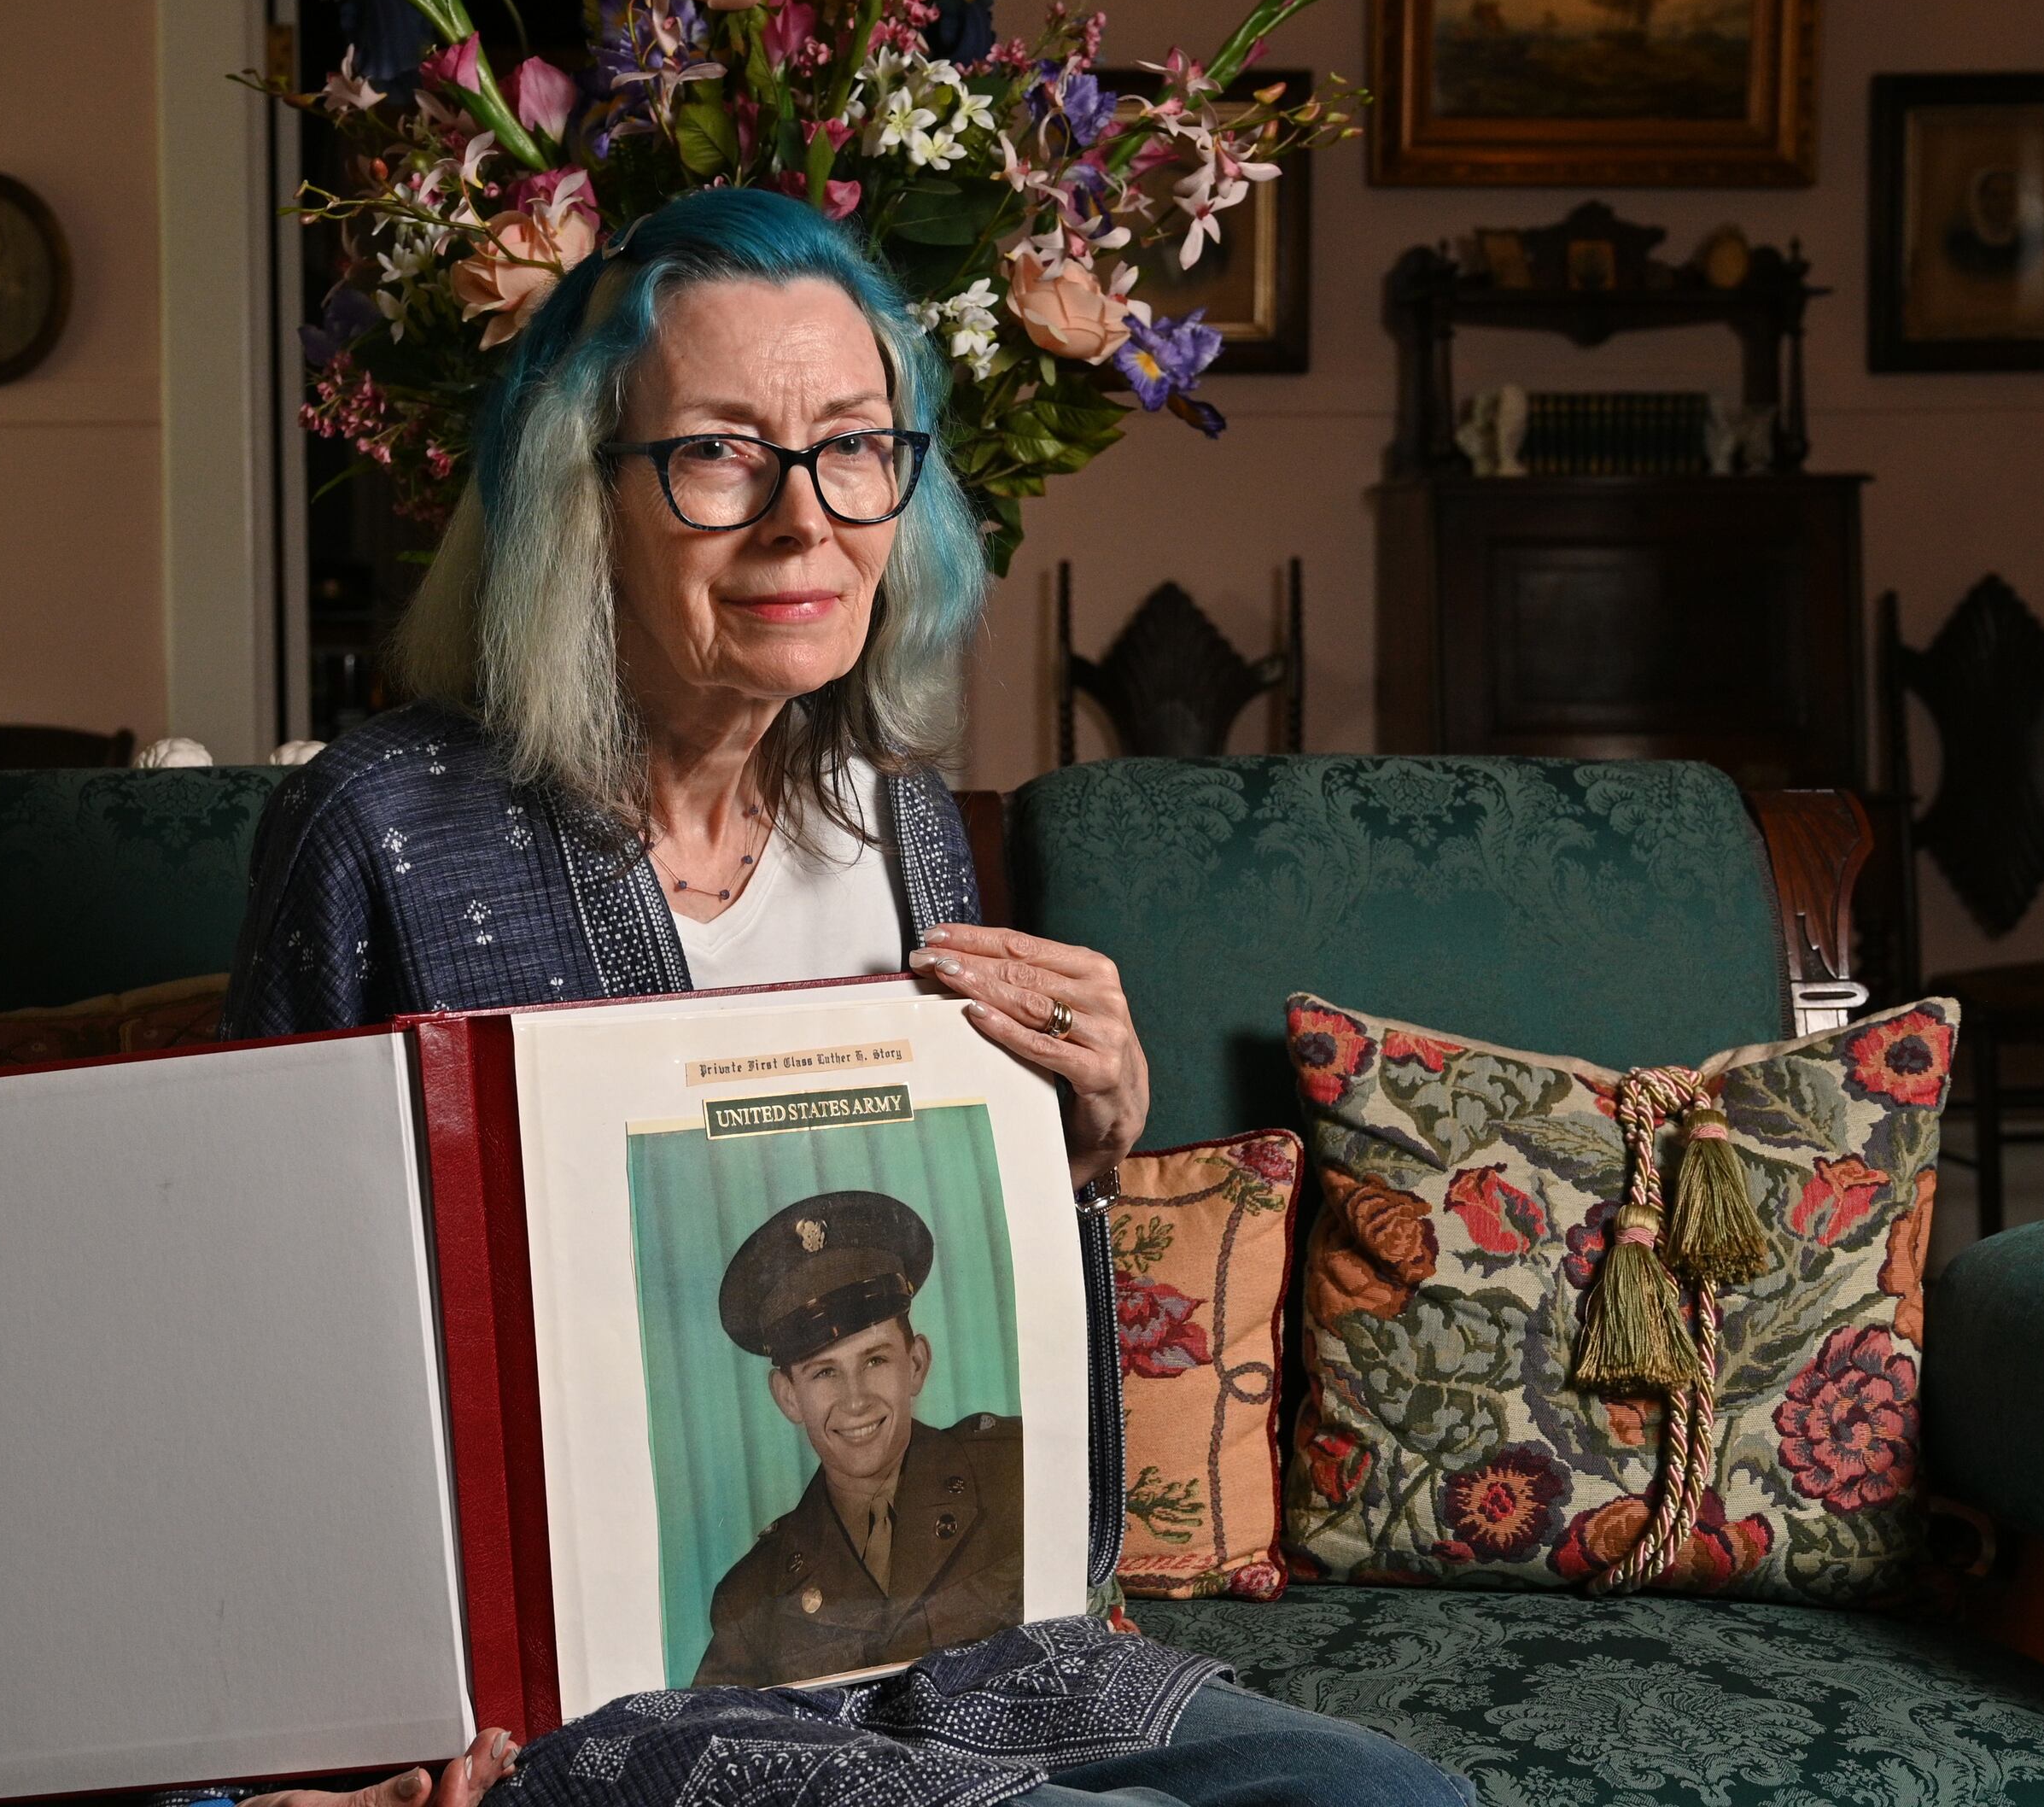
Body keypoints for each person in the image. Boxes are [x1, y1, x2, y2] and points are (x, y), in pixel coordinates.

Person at [223, 187, 1471, 1807]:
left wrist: (1077, 1168)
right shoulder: (383, 824)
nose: (803, 519)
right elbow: (257, 1341)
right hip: (600, 1700)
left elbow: (1027, 1419)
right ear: (576, 500)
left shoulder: (902, 818)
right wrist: (319, 1755)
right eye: (722, 450)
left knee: (1397, 1806)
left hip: (962, 1644)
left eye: (854, 447)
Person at [696, 1190, 1023, 1686]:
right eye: (824, 1373)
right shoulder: (751, 1597)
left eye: (875, 1360)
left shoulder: (1015, 1472)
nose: (855, 1402)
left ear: (915, 1365)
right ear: (788, 1397)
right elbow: (719, 1741)